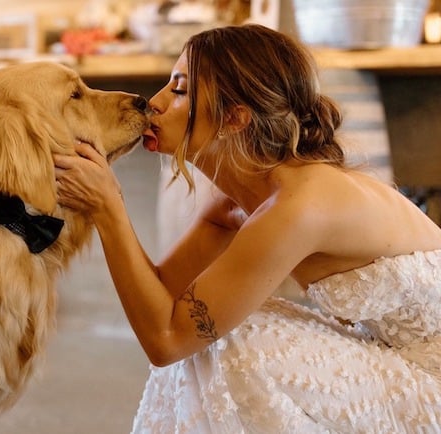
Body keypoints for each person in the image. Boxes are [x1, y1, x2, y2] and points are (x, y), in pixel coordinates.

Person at [53, 24, 441, 433]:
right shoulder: (236, 202)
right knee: (213, 334)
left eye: (180, 91)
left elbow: (166, 341)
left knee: (237, 342)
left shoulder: (299, 205)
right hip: (386, 354)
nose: (155, 103)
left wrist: (108, 208)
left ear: (234, 118)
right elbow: (162, 300)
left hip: (431, 378)